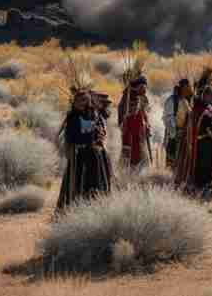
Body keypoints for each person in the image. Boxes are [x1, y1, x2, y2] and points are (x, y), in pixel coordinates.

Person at [57, 84, 113, 212]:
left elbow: (102, 128)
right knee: (79, 185)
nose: (82, 103)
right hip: (80, 157)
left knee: (98, 184)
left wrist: (101, 135)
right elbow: (73, 138)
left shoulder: (95, 114)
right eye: (79, 101)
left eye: (85, 100)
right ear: (74, 102)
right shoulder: (72, 117)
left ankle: (98, 209)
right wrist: (91, 136)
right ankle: (76, 210)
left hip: (97, 156)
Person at [175, 71, 212, 200]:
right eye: (209, 95)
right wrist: (210, 129)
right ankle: (200, 193)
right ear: (203, 95)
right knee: (202, 170)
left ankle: (210, 192)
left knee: (211, 169)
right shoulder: (197, 110)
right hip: (201, 146)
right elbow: (197, 127)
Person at [117, 75, 151, 169]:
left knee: (140, 152)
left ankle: (141, 174)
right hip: (130, 131)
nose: (144, 90)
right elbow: (123, 113)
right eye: (142, 88)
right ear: (137, 87)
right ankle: (127, 174)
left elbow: (145, 113)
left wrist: (147, 125)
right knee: (130, 153)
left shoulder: (143, 98)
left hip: (140, 130)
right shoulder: (127, 97)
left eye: (145, 88)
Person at [162, 79, 192, 169]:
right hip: (173, 136)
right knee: (171, 161)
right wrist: (174, 133)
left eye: (189, 88)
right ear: (182, 88)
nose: (188, 90)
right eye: (187, 88)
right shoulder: (172, 100)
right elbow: (167, 119)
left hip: (183, 136)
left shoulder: (186, 102)